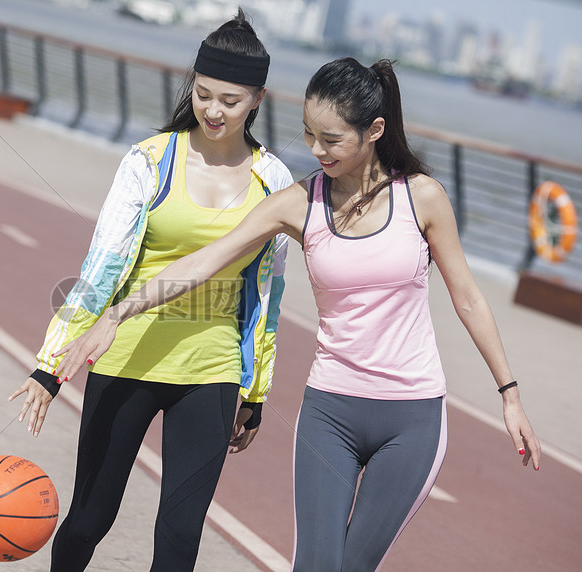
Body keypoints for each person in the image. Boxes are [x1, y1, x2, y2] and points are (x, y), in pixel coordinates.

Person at [54, 57, 542, 572]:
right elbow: (206, 260)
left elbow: (467, 298)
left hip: (412, 415)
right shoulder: (298, 202)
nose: (315, 150)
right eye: (308, 134)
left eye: (330, 139)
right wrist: (119, 313)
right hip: (330, 409)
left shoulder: (421, 197)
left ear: (374, 130)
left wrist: (509, 395)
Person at [9, 10, 293, 571]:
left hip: (209, 371)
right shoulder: (150, 159)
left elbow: (266, 296)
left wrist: (255, 392)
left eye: (230, 101)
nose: (213, 110)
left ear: (258, 98)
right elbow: (102, 267)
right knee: (91, 516)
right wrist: (51, 364)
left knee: (180, 536)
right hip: (126, 355)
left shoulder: (275, 181)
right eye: (204, 94)